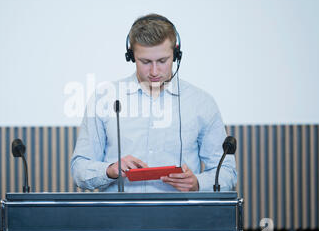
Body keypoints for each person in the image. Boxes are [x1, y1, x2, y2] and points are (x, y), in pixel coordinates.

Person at [70, 14, 237, 192]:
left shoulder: (201, 103)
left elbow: (227, 172)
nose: (154, 71)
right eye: (146, 62)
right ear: (131, 56)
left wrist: (198, 183)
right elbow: (79, 168)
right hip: (120, 217)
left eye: (163, 61)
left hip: (182, 217)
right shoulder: (104, 98)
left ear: (176, 54)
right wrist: (109, 170)